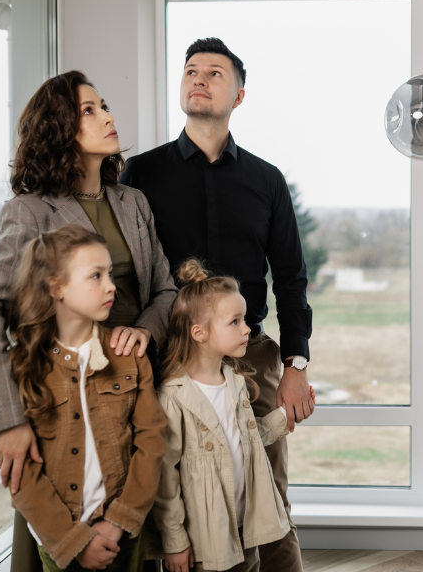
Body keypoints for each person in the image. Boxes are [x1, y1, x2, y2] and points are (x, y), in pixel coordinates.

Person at [0, 70, 177, 571]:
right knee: (63, 541)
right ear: (58, 127)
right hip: (62, 399)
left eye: (104, 105)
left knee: (135, 534)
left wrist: (144, 328)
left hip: (134, 382)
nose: (107, 115)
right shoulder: (31, 211)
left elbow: (167, 290)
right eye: (89, 109)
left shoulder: (133, 202)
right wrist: (7, 422)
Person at [121, 37, 313, 570]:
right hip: (167, 356)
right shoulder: (139, 175)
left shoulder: (267, 180)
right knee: (170, 493)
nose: (199, 79)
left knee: (266, 491)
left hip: (250, 353)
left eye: (214, 73)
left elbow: (293, 278)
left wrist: (296, 363)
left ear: (240, 94)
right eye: (190, 71)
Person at [7, 225, 166, 571]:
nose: (111, 285)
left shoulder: (130, 355)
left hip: (123, 535)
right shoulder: (24, 365)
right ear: (56, 287)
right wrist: (72, 542)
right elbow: (22, 473)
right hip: (58, 542)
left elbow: (152, 440)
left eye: (110, 273)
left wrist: (119, 521)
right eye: (96, 275)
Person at [150, 260, 312, 572]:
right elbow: (165, 478)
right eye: (235, 321)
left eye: (244, 319)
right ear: (199, 332)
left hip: (243, 531)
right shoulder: (173, 396)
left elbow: (246, 441)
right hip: (203, 542)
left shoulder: (235, 382)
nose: (248, 328)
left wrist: (282, 417)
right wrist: (174, 541)